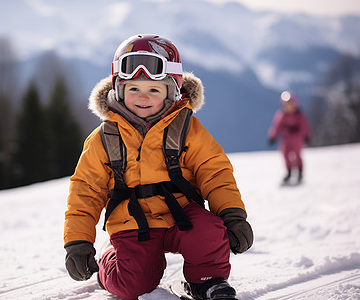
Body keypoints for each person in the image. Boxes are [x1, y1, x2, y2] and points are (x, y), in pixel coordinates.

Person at [64, 34, 253, 300]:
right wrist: (78, 242)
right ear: (118, 89)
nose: (143, 97)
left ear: (172, 91)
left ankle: (206, 281)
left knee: (209, 232)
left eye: (154, 89)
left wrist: (232, 214)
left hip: (182, 213)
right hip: (132, 222)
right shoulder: (105, 139)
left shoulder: (186, 129)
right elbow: (85, 191)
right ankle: (110, 263)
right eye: (133, 89)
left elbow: (215, 172)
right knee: (133, 285)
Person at [268, 91, 311, 184]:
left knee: (297, 155)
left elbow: (305, 126)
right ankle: (289, 172)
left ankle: (299, 172)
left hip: (297, 139)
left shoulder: (299, 115)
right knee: (285, 154)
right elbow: (277, 126)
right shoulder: (281, 115)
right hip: (286, 139)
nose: (288, 107)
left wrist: (307, 136)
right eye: (286, 105)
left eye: (290, 104)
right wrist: (273, 136)